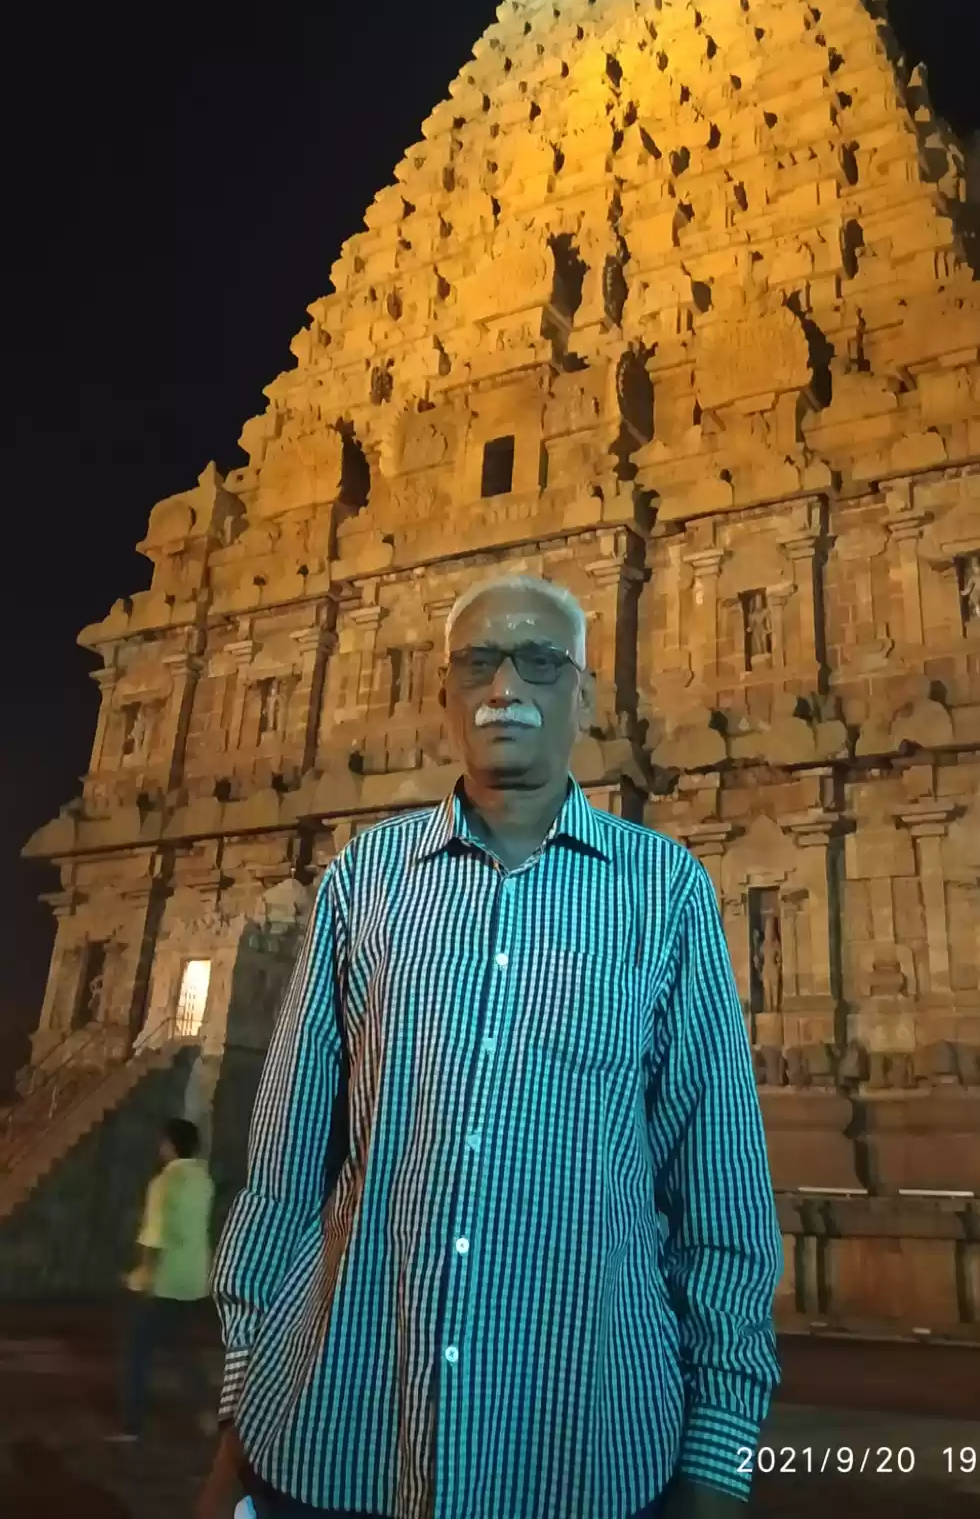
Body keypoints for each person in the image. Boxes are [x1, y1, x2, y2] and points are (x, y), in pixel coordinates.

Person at [198, 574, 781, 1519]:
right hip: (331, 1446)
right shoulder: (365, 883)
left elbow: (719, 1193)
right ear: (445, 695)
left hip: (579, 1452)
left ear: (583, 698)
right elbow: (286, 1170)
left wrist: (717, 1460)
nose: (505, 685)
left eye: (541, 662)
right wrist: (237, 1428)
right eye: (478, 662)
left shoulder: (663, 894)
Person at [110, 1116, 215, 1443]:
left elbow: (154, 1236)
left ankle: (132, 1425)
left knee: (139, 1350)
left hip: (166, 1277)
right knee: (180, 1347)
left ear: (170, 1145)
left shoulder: (163, 1184)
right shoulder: (204, 1181)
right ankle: (208, 1412)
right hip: (195, 1275)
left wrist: (142, 1273)